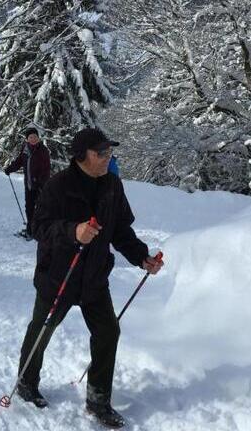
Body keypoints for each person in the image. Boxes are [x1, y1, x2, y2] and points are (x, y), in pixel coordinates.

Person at [13, 127, 163, 429]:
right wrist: (73, 231)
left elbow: (120, 230)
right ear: (82, 156)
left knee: (108, 332)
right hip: (58, 275)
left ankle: (98, 399)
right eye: (101, 152)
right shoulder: (58, 186)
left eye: (110, 151)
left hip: (94, 275)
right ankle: (27, 382)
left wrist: (141, 257)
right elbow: (39, 227)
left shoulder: (112, 185)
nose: (108, 157)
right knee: (42, 329)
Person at [4, 127, 51, 239]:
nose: (33, 139)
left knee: (40, 209)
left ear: (38, 138)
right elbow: (19, 161)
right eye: (30, 137)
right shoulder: (25, 149)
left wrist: (40, 181)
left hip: (40, 186)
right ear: (27, 139)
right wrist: (10, 169)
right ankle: (31, 230)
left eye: (35, 137)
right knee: (29, 208)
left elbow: (46, 169)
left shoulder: (43, 150)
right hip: (29, 185)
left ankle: (39, 230)